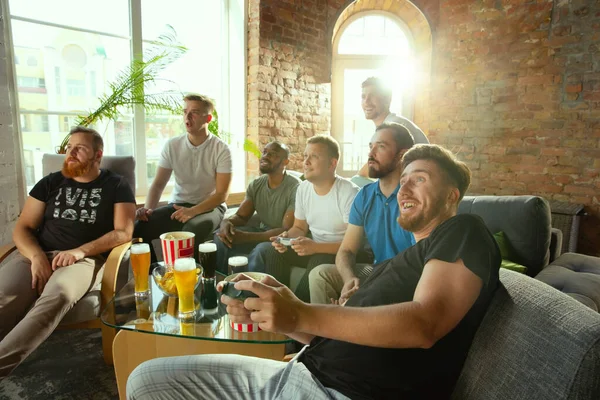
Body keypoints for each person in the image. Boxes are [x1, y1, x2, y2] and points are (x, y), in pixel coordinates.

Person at [126, 144, 501, 400]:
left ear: (453, 195)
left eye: (420, 178)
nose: (405, 187)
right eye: (404, 179)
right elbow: (330, 334)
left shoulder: (463, 230)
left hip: (338, 392)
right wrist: (283, 312)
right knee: (144, 378)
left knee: (148, 384)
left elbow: (424, 324)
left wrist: (301, 311)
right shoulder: (399, 265)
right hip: (305, 373)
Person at [0, 126, 136, 377]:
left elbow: (123, 233)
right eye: (69, 147)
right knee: (5, 295)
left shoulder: (116, 185)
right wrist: (37, 257)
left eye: (80, 148)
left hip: (83, 260)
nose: (70, 153)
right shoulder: (51, 182)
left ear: (98, 155)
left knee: (58, 295)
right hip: (36, 254)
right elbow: (22, 228)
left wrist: (80, 251)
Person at [309, 122, 416, 304]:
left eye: (381, 146)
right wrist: (349, 279)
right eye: (370, 146)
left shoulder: (413, 196)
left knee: (363, 299)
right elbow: (347, 250)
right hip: (376, 270)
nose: (371, 154)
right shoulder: (364, 196)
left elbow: (420, 261)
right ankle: (324, 330)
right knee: (319, 274)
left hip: (407, 277)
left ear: (402, 155)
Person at [249, 135, 359, 302]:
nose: (306, 162)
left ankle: (298, 310)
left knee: (319, 259)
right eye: (306, 156)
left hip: (340, 253)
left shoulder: (348, 192)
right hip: (313, 247)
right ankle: (274, 303)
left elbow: (352, 246)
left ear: (332, 163)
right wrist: (285, 239)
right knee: (273, 252)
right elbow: (299, 228)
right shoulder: (303, 189)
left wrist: (315, 247)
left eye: (314, 156)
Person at [134, 94, 232, 261]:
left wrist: (193, 211)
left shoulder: (221, 149)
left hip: (210, 207)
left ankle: (188, 279)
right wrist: (148, 209)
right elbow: (158, 184)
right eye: (185, 111)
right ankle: (154, 276)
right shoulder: (172, 145)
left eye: (193, 112)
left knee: (191, 230)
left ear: (207, 118)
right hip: (178, 205)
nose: (187, 117)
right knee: (141, 227)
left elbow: (221, 195)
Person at [213, 142, 300, 273]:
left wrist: (246, 236)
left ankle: (249, 292)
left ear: (285, 161)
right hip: (262, 232)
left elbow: (286, 230)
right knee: (220, 236)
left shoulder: (296, 188)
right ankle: (222, 283)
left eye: (272, 154)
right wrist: (226, 222)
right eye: (264, 152)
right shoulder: (256, 185)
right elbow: (241, 217)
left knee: (260, 250)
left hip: (282, 241)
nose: (265, 156)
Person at [356, 76, 429, 182]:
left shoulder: (394, 126)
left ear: (387, 99)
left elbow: (375, 168)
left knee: (357, 182)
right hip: (407, 178)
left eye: (372, 96)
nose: (366, 101)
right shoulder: (388, 124)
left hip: (418, 182)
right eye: (363, 97)